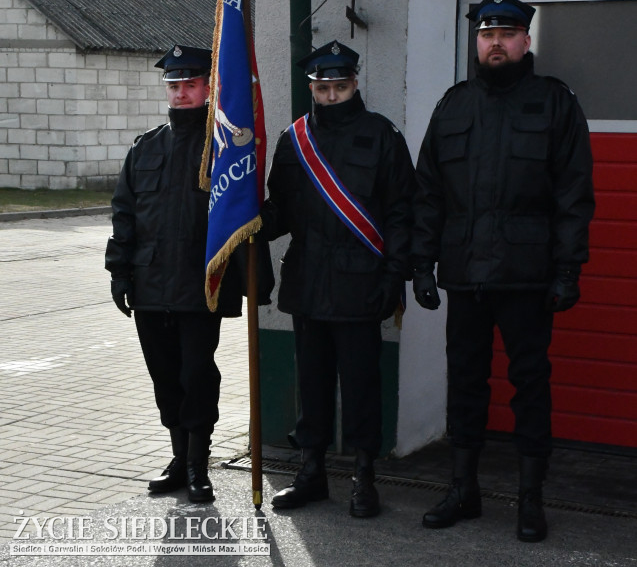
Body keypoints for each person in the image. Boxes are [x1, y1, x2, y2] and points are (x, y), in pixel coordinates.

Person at [412, 0, 595, 542]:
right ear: (477, 41)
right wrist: (422, 263)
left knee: (529, 385)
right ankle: (463, 489)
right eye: (487, 34)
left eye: (506, 34)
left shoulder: (555, 103)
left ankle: (529, 499)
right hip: (466, 273)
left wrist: (569, 269)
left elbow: (573, 195)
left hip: (527, 277)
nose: (495, 43)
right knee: (465, 382)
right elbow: (428, 193)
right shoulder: (453, 105)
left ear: (525, 40)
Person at [105, 45, 267, 503]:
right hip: (151, 285)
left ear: (207, 87)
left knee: (197, 375)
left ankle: (199, 465)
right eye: (174, 86)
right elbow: (125, 214)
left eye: (190, 84)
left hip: (202, 286)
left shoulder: (225, 148)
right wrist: (118, 272)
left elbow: (244, 212)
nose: (181, 93)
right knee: (165, 378)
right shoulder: (146, 146)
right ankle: (178, 459)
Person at [261, 40, 414, 518]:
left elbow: (402, 213)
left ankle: (364, 476)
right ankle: (312, 473)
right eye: (322, 88)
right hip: (308, 281)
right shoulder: (294, 139)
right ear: (312, 88)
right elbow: (280, 210)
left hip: (361, 282)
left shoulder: (382, 135)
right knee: (313, 382)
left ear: (354, 84)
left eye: (339, 87)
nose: (330, 96)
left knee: (362, 383)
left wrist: (396, 274)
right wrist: (243, 219)